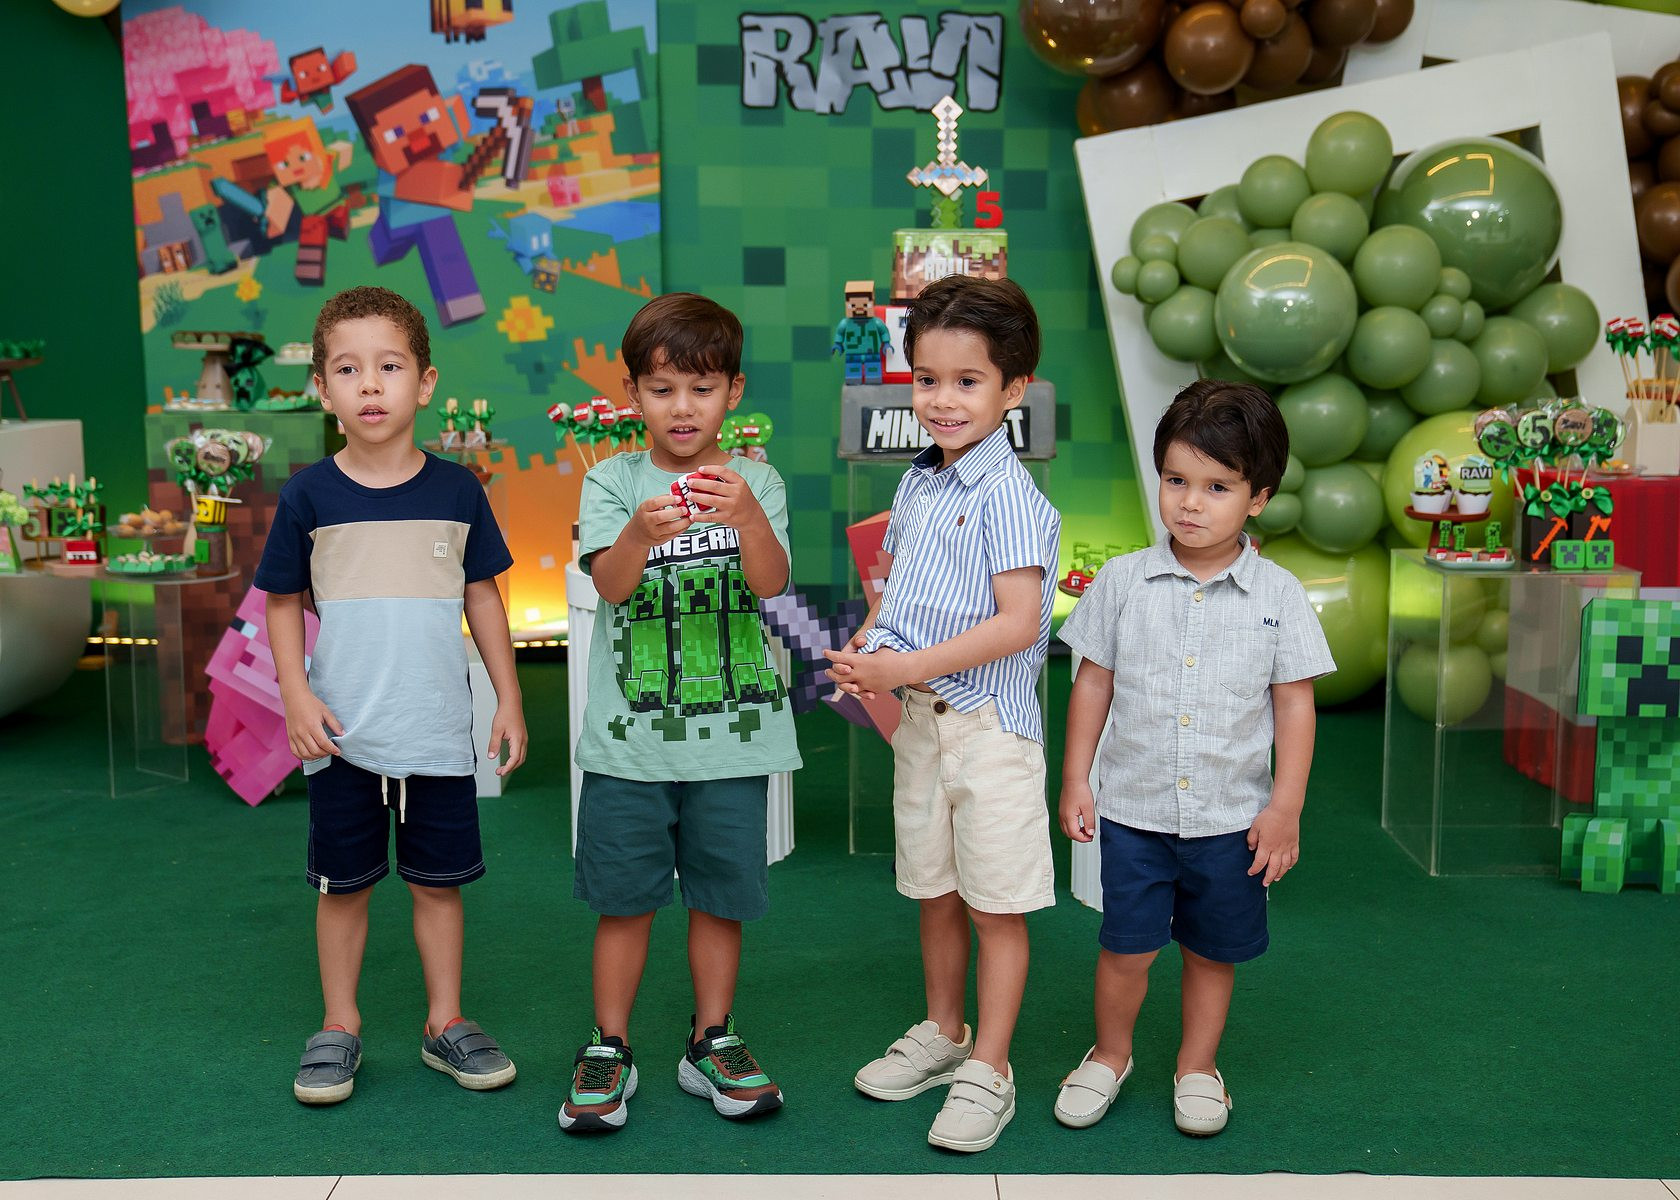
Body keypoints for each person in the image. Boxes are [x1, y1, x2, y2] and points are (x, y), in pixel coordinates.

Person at [256, 285, 527, 1105]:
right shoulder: (308, 495)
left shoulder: (459, 491)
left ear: (426, 382)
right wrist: (296, 696)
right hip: (341, 733)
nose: (370, 384)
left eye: (389, 366)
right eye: (348, 369)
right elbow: (280, 603)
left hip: (436, 730)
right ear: (322, 389)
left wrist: (509, 698)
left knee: (439, 884)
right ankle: (339, 1024)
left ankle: (445, 1021)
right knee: (342, 889)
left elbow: (484, 597)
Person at [1052, 379, 1334, 1137]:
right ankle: (1110, 1054)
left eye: (1217, 487)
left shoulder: (1279, 595)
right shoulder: (1122, 581)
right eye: (1176, 480)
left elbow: (1295, 706)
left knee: (1213, 953)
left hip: (1231, 819)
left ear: (1258, 498)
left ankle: (1198, 1066)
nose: (1190, 503)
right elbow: (1093, 683)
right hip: (1136, 812)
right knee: (1126, 948)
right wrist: (1076, 777)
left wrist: (1285, 806)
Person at [824, 274, 1061, 1154]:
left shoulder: (1013, 497)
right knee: (933, 888)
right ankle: (945, 1031)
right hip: (920, 724)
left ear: (1013, 390)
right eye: (927, 379)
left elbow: (1019, 622)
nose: (942, 400)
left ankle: (990, 1068)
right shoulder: (920, 485)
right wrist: (867, 647)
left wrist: (905, 666)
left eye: (967, 381)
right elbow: (901, 596)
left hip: (989, 733)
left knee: (996, 906)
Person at [563, 292, 802, 1134]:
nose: (683, 407)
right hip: (630, 744)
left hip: (733, 741)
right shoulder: (612, 479)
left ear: (733, 391)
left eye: (702, 389)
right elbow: (610, 584)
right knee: (623, 899)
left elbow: (771, 584)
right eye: (662, 390)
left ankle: (711, 1038)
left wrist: (747, 520)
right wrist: (637, 533)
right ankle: (610, 1044)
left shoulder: (756, 481)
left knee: (720, 897)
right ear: (633, 394)